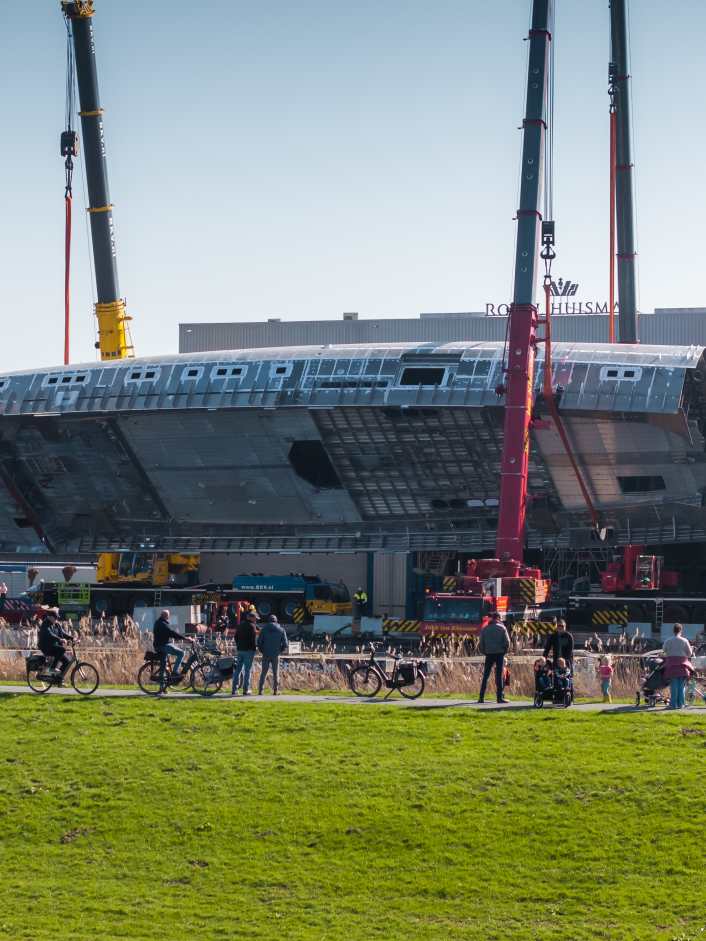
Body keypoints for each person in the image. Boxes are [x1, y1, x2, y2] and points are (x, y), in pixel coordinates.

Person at [153, 609, 193, 693]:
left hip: (160, 645)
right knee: (181, 653)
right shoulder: (163, 624)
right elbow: (172, 633)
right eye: (168, 616)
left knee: (163, 665)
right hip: (162, 646)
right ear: (165, 616)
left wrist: (179, 638)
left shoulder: (159, 622)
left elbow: (170, 634)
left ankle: (162, 688)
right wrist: (185, 638)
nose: (169, 617)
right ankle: (174, 672)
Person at [477, 611, 510, 704]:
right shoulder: (502, 628)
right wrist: (504, 651)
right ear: (498, 618)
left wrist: (485, 652)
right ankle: (499, 698)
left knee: (486, 676)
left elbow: (481, 644)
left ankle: (481, 697)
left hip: (489, 654)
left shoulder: (485, 629)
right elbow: (507, 642)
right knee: (499, 675)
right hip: (500, 654)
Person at [662, 623, 693, 710]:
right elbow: (689, 653)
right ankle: (681, 704)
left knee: (674, 685)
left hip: (671, 665)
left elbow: (664, 650)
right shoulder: (685, 640)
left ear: (673, 630)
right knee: (681, 686)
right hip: (682, 665)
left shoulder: (668, 640)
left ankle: (673, 704)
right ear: (681, 630)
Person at [257, 613, 289, 695]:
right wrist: (279, 651)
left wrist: (263, 651)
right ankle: (275, 690)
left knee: (263, 672)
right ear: (276, 621)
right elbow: (285, 644)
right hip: (275, 654)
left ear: (269, 621)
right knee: (276, 673)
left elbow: (259, 643)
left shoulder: (264, 629)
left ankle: (261, 690)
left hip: (266, 654)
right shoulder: (281, 630)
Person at [37, 608, 73, 680]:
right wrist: (60, 639)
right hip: (46, 647)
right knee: (62, 649)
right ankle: (52, 669)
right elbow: (50, 634)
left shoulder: (56, 624)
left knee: (67, 661)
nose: (56, 619)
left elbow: (63, 633)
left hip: (54, 646)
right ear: (50, 617)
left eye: (57, 618)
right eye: (55, 618)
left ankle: (58, 679)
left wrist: (72, 638)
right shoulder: (45, 624)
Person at [231, 610, 258, 696]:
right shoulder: (252, 626)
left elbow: (235, 637)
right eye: (255, 618)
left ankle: (234, 689)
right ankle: (246, 690)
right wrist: (255, 648)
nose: (256, 620)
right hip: (249, 651)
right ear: (251, 617)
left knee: (238, 670)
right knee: (247, 671)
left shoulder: (240, 625)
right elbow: (253, 640)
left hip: (240, 650)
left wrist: (239, 645)